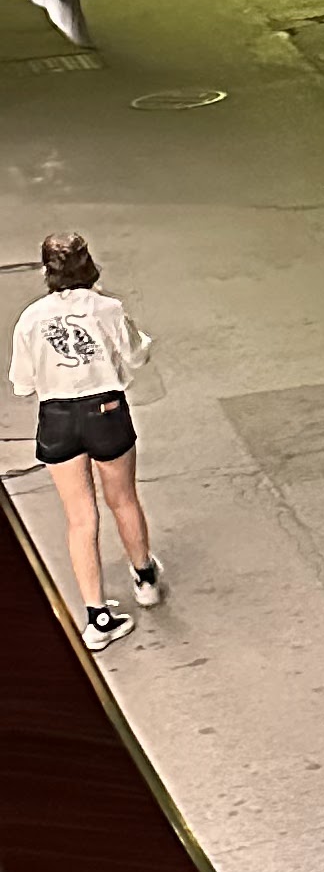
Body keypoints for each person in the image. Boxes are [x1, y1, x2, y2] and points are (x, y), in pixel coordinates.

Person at [10, 233, 162, 647]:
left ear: (46, 270)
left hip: (57, 418)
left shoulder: (31, 318)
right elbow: (137, 354)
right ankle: (145, 578)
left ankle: (98, 619)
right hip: (106, 410)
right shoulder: (107, 308)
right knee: (123, 499)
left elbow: (22, 383)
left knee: (80, 516)